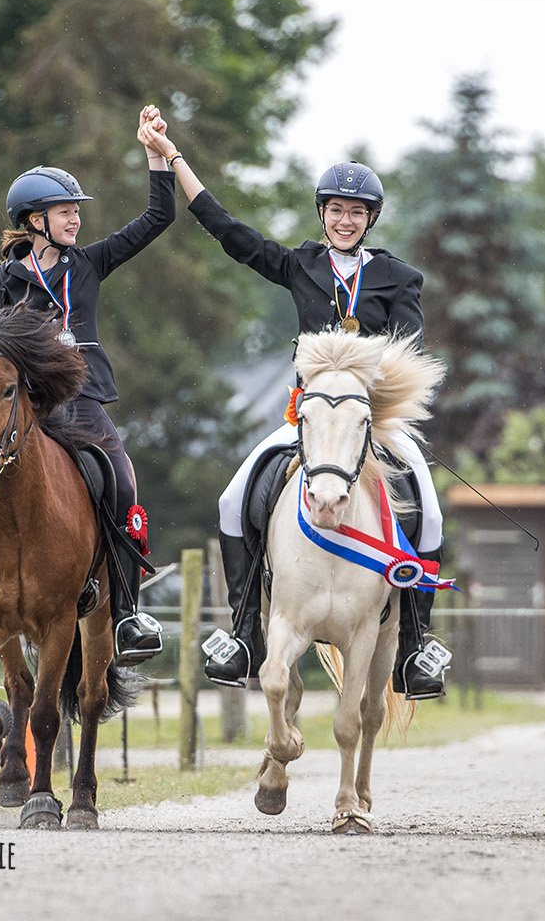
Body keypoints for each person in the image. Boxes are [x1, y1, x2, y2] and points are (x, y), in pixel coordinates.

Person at [138, 117, 450, 700]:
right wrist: (175, 158)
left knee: (428, 509)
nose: (345, 220)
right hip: (304, 420)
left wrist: (357, 379)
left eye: (356, 212)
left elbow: (408, 352)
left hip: (369, 424)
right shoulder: (299, 264)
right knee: (234, 499)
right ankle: (243, 633)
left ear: (371, 219)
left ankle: (415, 643)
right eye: (336, 209)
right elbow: (230, 232)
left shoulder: (398, 278)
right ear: (322, 212)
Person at [0, 106, 175, 666]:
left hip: (82, 404)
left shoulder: (92, 263)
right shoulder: (0, 281)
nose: (75, 221)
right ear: (34, 221)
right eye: (63, 212)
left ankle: (125, 612)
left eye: (75, 211)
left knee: (121, 480)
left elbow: (158, 217)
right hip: (20, 412)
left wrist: (156, 155)